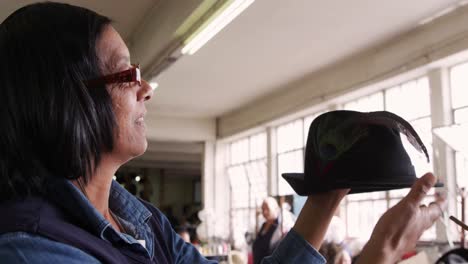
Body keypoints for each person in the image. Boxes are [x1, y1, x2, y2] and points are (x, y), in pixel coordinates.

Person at [0, 2, 446, 263]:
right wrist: (377, 254)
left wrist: (327, 195)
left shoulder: (142, 223)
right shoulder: (32, 251)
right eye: (126, 74)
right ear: (63, 101)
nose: (146, 90)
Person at [253, 197, 292, 264]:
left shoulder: (281, 227)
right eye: (263, 209)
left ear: (276, 209)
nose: (264, 212)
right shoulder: (263, 225)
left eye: (267, 208)